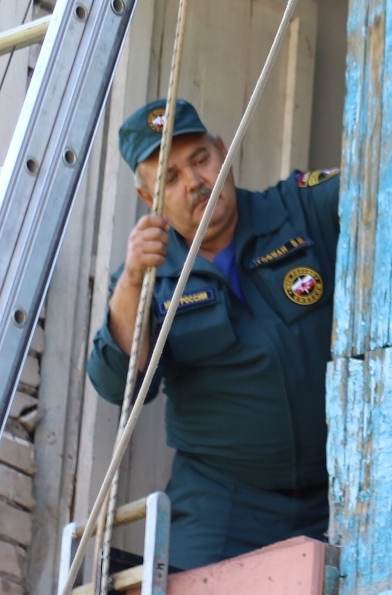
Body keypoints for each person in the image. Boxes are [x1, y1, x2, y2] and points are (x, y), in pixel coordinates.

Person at [86, 98, 340, 571]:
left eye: (200, 160)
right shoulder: (151, 280)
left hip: (340, 486)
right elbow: (116, 384)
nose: (195, 183)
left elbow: (384, 184)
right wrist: (133, 281)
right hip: (224, 504)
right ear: (150, 200)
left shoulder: (300, 210)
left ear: (222, 151)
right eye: (170, 178)